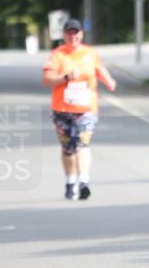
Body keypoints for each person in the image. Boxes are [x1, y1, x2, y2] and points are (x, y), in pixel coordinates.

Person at [42, 18, 117, 200]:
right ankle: (70, 181)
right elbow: (46, 80)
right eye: (69, 33)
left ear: (81, 34)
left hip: (86, 109)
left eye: (76, 33)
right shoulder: (57, 55)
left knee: (82, 143)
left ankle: (83, 182)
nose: (73, 36)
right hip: (62, 109)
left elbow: (100, 70)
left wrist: (109, 81)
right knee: (68, 148)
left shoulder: (90, 54)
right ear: (64, 35)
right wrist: (65, 77)